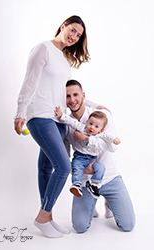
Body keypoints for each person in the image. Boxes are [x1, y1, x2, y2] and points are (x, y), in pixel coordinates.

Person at [14, 16, 90, 238]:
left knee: (47, 168)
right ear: (63, 25)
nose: (74, 37)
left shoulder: (64, 59)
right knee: (63, 166)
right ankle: (43, 216)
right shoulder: (43, 48)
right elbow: (30, 80)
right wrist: (20, 112)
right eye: (72, 30)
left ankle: (48, 217)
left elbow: (63, 92)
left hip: (56, 118)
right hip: (39, 114)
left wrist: (91, 105)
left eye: (78, 36)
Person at [64, 79, 136, 233]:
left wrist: (85, 139)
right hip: (84, 182)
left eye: (75, 95)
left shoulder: (102, 116)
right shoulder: (66, 124)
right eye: (67, 96)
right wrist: (80, 171)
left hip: (109, 176)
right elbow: (64, 158)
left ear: (83, 95)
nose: (72, 100)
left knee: (128, 225)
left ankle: (108, 202)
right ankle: (91, 200)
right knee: (80, 227)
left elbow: (112, 147)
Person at [54, 106, 121, 199]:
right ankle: (77, 185)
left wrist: (115, 139)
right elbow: (72, 122)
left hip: (93, 158)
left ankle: (94, 185)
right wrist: (62, 116)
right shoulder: (83, 128)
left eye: (96, 126)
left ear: (101, 130)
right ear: (87, 122)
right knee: (77, 169)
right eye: (90, 123)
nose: (92, 127)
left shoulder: (101, 134)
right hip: (79, 157)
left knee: (101, 168)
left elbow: (109, 136)